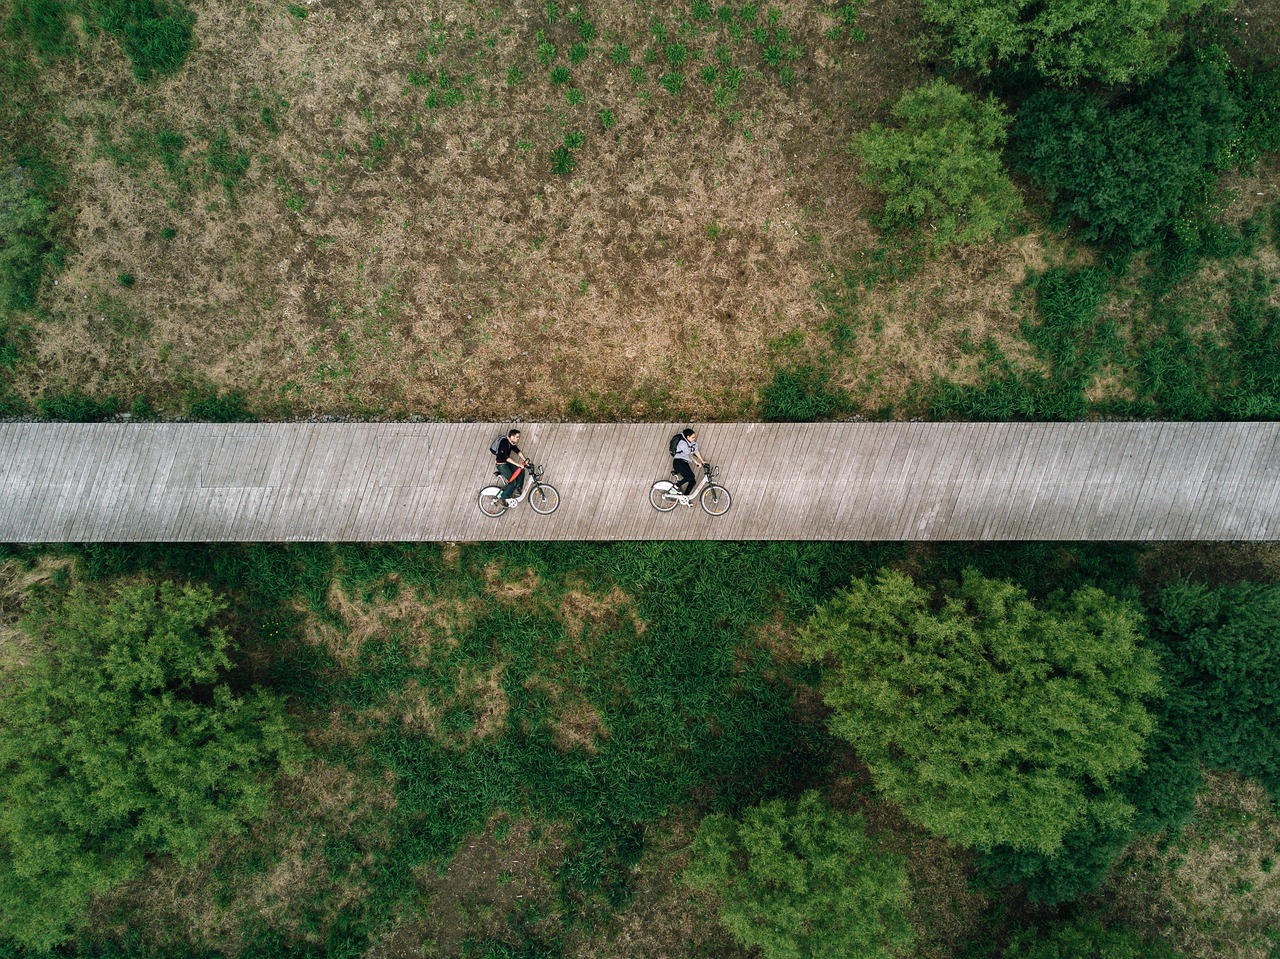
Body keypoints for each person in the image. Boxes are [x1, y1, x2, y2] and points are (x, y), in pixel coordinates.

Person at [495, 428, 529, 506]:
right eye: (517, 437)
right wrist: (518, 464)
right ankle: (502, 499)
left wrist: (525, 460)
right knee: (512, 481)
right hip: (501, 465)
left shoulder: (511, 443)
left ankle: (517, 490)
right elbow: (506, 457)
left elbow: (518, 452)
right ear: (512, 437)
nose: (518, 438)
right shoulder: (504, 443)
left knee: (521, 470)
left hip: (506, 464)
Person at [672, 427, 705, 496]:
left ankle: (685, 497)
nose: (694, 438)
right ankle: (676, 486)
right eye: (692, 437)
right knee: (691, 476)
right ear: (688, 437)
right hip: (679, 462)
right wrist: (697, 463)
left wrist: (702, 461)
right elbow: (689, 454)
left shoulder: (692, 443)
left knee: (692, 481)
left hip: (684, 463)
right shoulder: (682, 443)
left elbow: (696, 451)